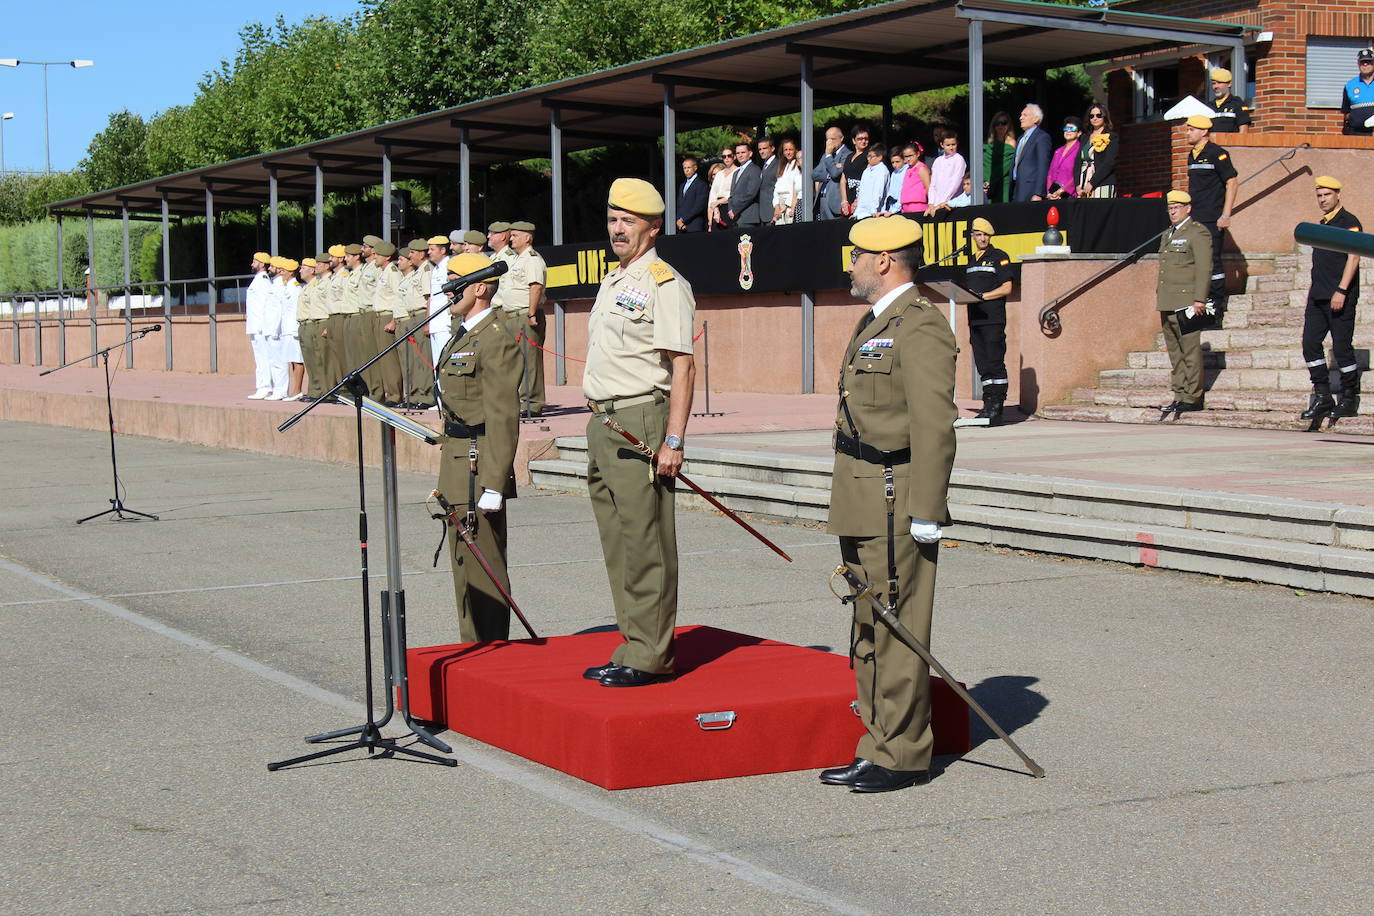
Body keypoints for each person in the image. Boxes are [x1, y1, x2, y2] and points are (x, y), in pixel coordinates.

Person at [819, 215, 956, 794]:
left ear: (883, 260)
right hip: (860, 490)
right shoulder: (878, 319)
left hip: (897, 496)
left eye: (854, 256)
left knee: (898, 625)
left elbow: (934, 423)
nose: (848, 265)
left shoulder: (920, 325)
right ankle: (876, 741)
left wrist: (928, 507)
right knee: (868, 622)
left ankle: (903, 753)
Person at [581, 178, 696, 688]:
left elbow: (683, 364)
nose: (618, 229)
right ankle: (632, 643)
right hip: (603, 420)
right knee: (618, 541)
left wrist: (674, 439)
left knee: (646, 540)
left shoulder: (663, 282)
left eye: (628, 221)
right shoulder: (615, 279)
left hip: (640, 420)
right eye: (612, 220)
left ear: (652, 227)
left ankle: (652, 654)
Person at [434, 252, 522, 642]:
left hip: (478, 464)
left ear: (480, 287)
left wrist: (494, 483)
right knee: (462, 565)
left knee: (484, 564)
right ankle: (472, 649)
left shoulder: (495, 339)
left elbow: (503, 415)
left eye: (455, 281)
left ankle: (492, 653)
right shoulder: (462, 332)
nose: (448, 288)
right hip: (454, 459)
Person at [1299, 176, 1363, 423]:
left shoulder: (1349, 222)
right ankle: (1323, 396)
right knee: (1310, 344)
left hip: (1339, 296)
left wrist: (1342, 290)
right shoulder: (1321, 224)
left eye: (1327, 194)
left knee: (1342, 349)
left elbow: (1354, 257)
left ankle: (1349, 397)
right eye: (1319, 195)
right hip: (1318, 295)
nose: (1323, 199)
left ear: (1338, 195)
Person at [1156, 190, 1213, 419]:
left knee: (1189, 350)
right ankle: (1179, 393)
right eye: (1170, 208)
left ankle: (1192, 396)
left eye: (1177, 207)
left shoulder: (1197, 232)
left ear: (1188, 208)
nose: (1173, 211)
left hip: (1187, 301)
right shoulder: (1168, 234)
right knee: (1175, 352)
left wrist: (1200, 298)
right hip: (1168, 300)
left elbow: (1204, 267)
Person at [957, 218, 1015, 427]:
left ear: (990, 237)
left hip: (993, 320)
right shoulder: (972, 260)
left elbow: (1007, 288)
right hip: (975, 321)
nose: (982, 238)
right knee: (982, 365)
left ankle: (997, 408)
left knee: (994, 362)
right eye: (978, 234)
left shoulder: (999, 257)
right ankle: (987, 405)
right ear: (973, 236)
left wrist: (983, 296)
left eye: (985, 235)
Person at [1184, 114, 1238, 316]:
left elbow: (1232, 182)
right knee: (1196, 260)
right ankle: (1199, 304)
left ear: (1204, 131)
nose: (1187, 133)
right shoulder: (1192, 155)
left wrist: (1226, 214)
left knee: (1212, 261)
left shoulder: (1218, 154)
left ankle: (1216, 308)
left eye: (1191, 129)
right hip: (1195, 217)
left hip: (1212, 217)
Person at [502, 220, 548, 417]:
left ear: (527, 238)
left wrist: (531, 313)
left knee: (529, 361)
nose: (510, 239)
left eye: (514, 236)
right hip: (512, 316)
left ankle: (532, 403)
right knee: (515, 361)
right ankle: (519, 401)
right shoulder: (517, 259)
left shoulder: (532, 259)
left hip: (525, 315)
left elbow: (535, 287)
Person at [294, 256, 328, 402]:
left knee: (319, 360)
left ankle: (323, 391)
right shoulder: (307, 286)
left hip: (313, 324)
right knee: (310, 361)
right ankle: (314, 391)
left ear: (312, 270)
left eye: (303, 267)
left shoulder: (317, 285)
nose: (300, 270)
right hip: (305, 325)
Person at [245, 252, 274, 399]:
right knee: (260, 358)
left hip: (261, 326)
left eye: (255, 262)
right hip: (256, 326)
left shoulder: (263, 281)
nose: (252, 264)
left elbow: (265, 305)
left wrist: (263, 326)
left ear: (262, 264)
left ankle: (265, 386)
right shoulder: (258, 280)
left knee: (264, 358)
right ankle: (262, 385)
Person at [261, 256, 289, 400]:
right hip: (269, 328)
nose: (269, 269)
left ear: (279, 269)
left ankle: (281, 390)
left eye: (272, 266)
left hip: (275, 330)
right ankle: (277, 388)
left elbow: (280, 310)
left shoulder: (280, 286)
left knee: (279, 362)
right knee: (272, 361)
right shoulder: (274, 284)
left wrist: (276, 330)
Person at [1077, 101, 1118, 198]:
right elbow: (1078, 162)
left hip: (1103, 182)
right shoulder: (1084, 137)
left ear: (1104, 117)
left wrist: (1092, 183)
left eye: (1098, 115)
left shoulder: (1112, 136)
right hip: (1084, 182)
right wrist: (1077, 185)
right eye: (1092, 116)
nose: (1095, 118)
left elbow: (1109, 163)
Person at [1012, 104, 1051, 203]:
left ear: (1036, 119)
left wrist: (1038, 193)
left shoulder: (1041, 137)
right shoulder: (1021, 139)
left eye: (1025, 115)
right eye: (1021, 115)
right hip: (1017, 188)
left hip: (1030, 190)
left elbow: (1043, 166)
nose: (1021, 118)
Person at [812, 125, 851, 220]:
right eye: (827, 139)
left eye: (833, 139)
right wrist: (829, 173)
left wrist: (829, 156)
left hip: (835, 202)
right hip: (822, 200)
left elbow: (835, 173)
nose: (829, 143)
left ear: (841, 138)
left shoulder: (847, 154)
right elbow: (814, 174)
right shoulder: (825, 155)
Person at [426, 235, 453, 366]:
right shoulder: (436, 269)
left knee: (445, 358)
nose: (428, 252)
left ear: (442, 251)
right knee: (436, 361)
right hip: (435, 322)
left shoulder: (448, 266)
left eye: (432, 249)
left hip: (444, 322)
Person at [926, 132, 966, 214]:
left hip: (950, 204)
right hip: (936, 205)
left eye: (953, 144)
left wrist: (944, 202)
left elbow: (955, 183)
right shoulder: (937, 161)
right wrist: (931, 203)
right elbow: (933, 184)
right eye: (948, 145)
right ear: (942, 145)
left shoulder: (959, 159)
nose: (951, 147)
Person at [838, 125, 871, 217]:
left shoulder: (869, 156)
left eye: (866, 139)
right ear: (854, 140)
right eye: (860, 139)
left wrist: (858, 200)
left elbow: (868, 180)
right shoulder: (849, 157)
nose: (863, 141)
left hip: (862, 200)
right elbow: (843, 179)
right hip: (848, 200)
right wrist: (844, 201)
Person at [982, 112, 1016, 203]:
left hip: (1003, 186)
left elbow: (1006, 166)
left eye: (1004, 123)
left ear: (1008, 125)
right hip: (987, 186)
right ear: (993, 126)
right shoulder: (988, 144)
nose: (1000, 126)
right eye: (997, 123)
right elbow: (985, 164)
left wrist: (990, 181)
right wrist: (985, 181)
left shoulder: (1011, 143)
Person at [727, 139, 762, 227]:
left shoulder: (754, 169)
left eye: (743, 152)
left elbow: (751, 193)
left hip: (748, 216)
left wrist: (735, 210)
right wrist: (730, 209)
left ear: (750, 153)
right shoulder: (736, 172)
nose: (740, 155)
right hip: (736, 218)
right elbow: (732, 194)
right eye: (738, 153)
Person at [1340, 48, 1374, 136]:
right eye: (1362, 62)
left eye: (1368, 61)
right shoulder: (1350, 85)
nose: (1365, 64)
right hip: (1355, 133)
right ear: (1358, 64)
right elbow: (1346, 112)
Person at [1208, 68, 1252, 134]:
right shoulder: (1209, 106)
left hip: (1231, 143)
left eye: (1219, 83)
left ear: (1229, 84)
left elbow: (1244, 132)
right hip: (1212, 144)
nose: (1216, 86)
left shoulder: (1237, 104)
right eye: (1214, 83)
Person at [1046, 117, 1081, 199]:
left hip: (1069, 195)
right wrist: (1049, 192)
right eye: (1066, 128)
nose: (1068, 131)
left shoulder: (1080, 150)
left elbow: (1077, 175)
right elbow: (1050, 174)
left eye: (1072, 128)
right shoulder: (1058, 151)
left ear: (1079, 133)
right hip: (1054, 196)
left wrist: (1062, 190)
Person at [852, 144, 891, 219]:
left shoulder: (882, 170)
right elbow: (861, 193)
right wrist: (856, 213)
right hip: (862, 213)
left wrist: (873, 211)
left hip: (875, 214)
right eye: (868, 156)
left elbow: (878, 192)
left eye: (871, 156)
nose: (868, 159)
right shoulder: (866, 171)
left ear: (880, 157)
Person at [772, 138, 804, 225]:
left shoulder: (796, 165)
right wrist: (776, 205)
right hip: (780, 202)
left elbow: (795, 187)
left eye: (790, 149)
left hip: (790, 203)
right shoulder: (783, 166)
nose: (788, 152)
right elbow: (777, 187)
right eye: (786, 150)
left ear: (795, 150)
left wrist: (786, 205)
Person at [676, 156, 708, 232]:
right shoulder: (682, 185)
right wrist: (678, 220)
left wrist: (683, 219)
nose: (686, 170)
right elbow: (679, 205)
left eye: (689, 168)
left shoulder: (701, 184)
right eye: (684, 168)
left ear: (695, 168)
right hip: (681, 226)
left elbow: (699, 206)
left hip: (694, 225)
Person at [708, 147, 737, 229]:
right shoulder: (719, 174)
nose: (726, 158)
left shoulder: (738, 171)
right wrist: (716, 209)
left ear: (734, 157)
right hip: (717, 209)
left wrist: (718, 202)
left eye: (729, 156)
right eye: (724, 156)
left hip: (729, 207)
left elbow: (734, 193)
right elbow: (713, 194)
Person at [899, 142, 931, 214]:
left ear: (918, 154)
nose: (908, 159)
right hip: (905, 206)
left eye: (911, 156)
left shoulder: (921, 168)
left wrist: (931, 204)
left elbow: (928, 188)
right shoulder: (907, 169)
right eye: (906, 156)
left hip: (919, 206)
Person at [756, 137, 778, 225]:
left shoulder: (778, 164)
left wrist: (776, 211)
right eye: (760, 149)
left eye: (764, 148)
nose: (762, 151)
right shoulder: (764, 166)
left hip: (773, 211)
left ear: (772, 148)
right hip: (762, 213)